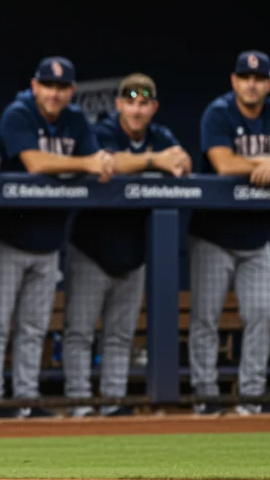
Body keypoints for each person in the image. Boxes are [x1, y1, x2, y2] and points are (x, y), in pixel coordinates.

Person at [0, 56, 113, 419]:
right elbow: (36, 163)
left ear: (71, 91)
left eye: (62, 87)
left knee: (34, 328)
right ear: (35, 86)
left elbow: (99, 160)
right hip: (8, 237)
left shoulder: (76, 120)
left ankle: (24, 399)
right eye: (48, 86)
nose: (54, 94)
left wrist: (100, 161)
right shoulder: (17, 113)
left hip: (50, 240)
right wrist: (87, 163)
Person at [63, 73, 190, 418]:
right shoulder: (102, 130)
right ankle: (79, 404)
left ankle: (113, 404)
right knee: (80, 332)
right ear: (118, 104)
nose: (136, 109)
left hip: (134, 254)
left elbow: (183, 162)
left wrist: (171, 159)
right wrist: (154, 161)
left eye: (143, 103)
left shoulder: (160, 136)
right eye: (130, 102)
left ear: (154, 107)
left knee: (120, 336)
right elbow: (107, 161)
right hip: (91, 249)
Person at [187, 50, 270, 415]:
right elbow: (223, 163)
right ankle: (206, 397)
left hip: (256, 239)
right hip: (212, 236)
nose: (251, 84)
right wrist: (266, 166)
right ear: (234, 81)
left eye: (258, 78)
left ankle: (250, 398)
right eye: (244, 78)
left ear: (268, 83)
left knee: (262, 315)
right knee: (205, 319)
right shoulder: (218, 112)